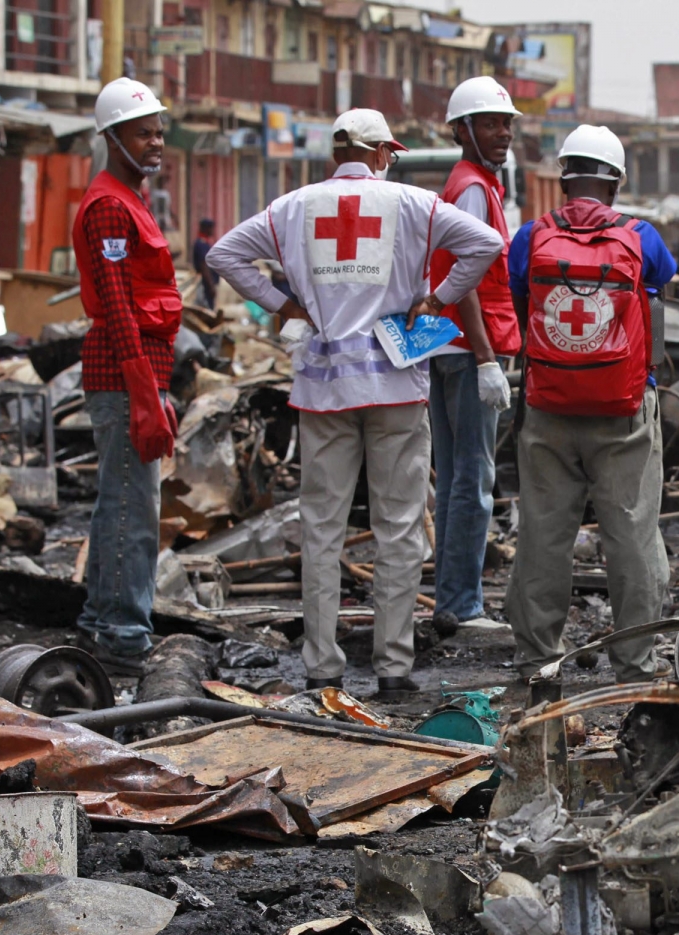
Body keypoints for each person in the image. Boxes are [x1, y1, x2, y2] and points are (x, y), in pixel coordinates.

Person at [208, 108, 504, 694]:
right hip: (395, 386)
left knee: (322, 528)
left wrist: (284, 304)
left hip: (323, 391)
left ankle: (322, 668)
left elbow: (223, 257)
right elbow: (487, 243)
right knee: (398, 529)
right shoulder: (412, 204)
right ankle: (394, 668)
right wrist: (437, 299)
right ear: (380, 154)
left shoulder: (292, 207)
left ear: (336, 154)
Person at [504, 124, 677, 683]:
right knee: (632, 535)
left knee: (543, 534)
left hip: (548, 406)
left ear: (564, 178)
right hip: (623, 409)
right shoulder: (642, 236)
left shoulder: (531, 237)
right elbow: (661, 291)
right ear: (616, 182)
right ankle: (635, 663)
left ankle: (537, 662)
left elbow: (520, 300)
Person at [72, 78, 182, 676]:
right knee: (128, 511)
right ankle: (119, 636)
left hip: (134, 374)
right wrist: (143, 391)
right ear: (113, 138)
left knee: (125, 503)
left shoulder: (129, 200)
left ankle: (104, 624)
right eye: (143, 132)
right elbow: (117, 304)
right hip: (122, 375)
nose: (156, 141)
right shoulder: (111, 206)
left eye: (159, 131)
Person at [425, 77, 520, 631]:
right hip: (466, 351)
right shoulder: (472, 189)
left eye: (506, 123)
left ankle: (453, 602)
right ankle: (460, 605)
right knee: (472, 480)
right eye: (490, 123)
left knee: (459, 476)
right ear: (464, 130)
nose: (503, 133)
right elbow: (468, 278)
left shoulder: (472, 183)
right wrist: (487, 359)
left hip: (452, 345)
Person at [191, 218, 218, 309]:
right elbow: (204, 265)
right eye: (210, 228)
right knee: (206, 308)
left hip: (207, 283)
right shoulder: (201, 244)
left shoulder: (206, 242)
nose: (212, 230)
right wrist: (211, 285)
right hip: (205, 284)